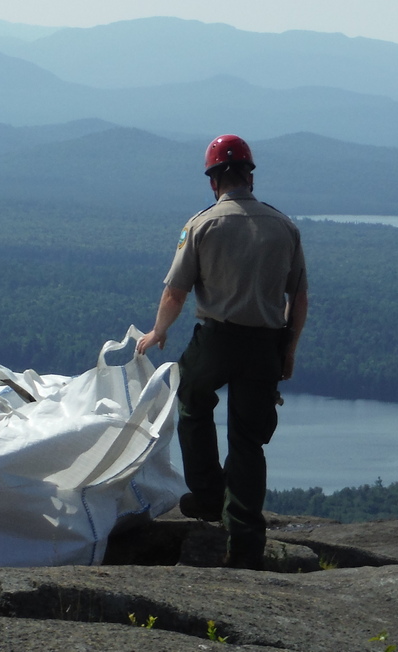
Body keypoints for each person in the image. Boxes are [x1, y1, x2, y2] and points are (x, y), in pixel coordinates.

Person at [137, 134, 308, 569]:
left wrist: (158, 333)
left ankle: (209, 496)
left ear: (214, 181)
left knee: (192, 399)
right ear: (249, 176)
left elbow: (175, 293)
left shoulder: (201, 224)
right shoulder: (284, 226)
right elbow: (299, 298)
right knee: (248, 441)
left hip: (217, 337)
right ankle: (246, 545)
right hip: (265, 343)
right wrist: (288, 350)